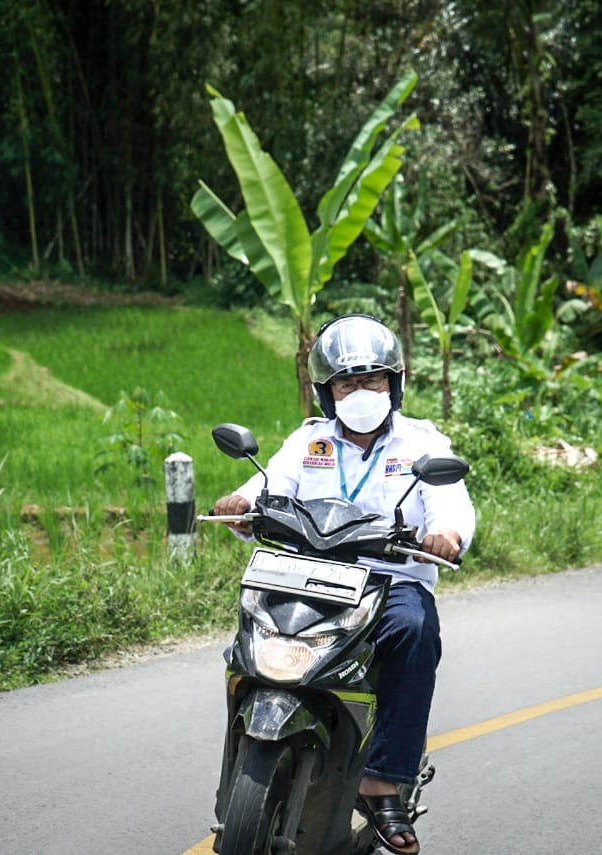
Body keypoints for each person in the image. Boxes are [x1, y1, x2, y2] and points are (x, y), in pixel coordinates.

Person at [212, 314, 475, 855]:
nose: (361, 392)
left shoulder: (421, 442)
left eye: (373, 380)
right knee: (250, 629)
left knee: (415, 629)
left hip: (389, 580)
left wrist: (446, 534)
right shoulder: (309, 440)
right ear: (327, 393)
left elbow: (450, 506)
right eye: (347, 383)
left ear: (394, 383)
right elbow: (271, 483)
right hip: (308, 575)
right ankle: (245, 747)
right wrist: (241, 503)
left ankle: (384, 785)